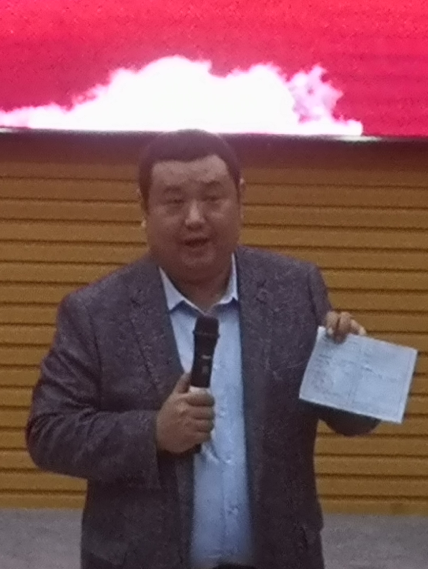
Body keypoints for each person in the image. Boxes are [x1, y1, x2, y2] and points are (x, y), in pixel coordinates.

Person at [26, 129, 379, 569]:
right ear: (144, 210)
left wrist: (352, 368)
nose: (194, 218)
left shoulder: (295, 289)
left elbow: (355, 422)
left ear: (241, 198)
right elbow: (49, 432)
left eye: (213, 198)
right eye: (174, 202)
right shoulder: (96, 312)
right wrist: (152, 432)